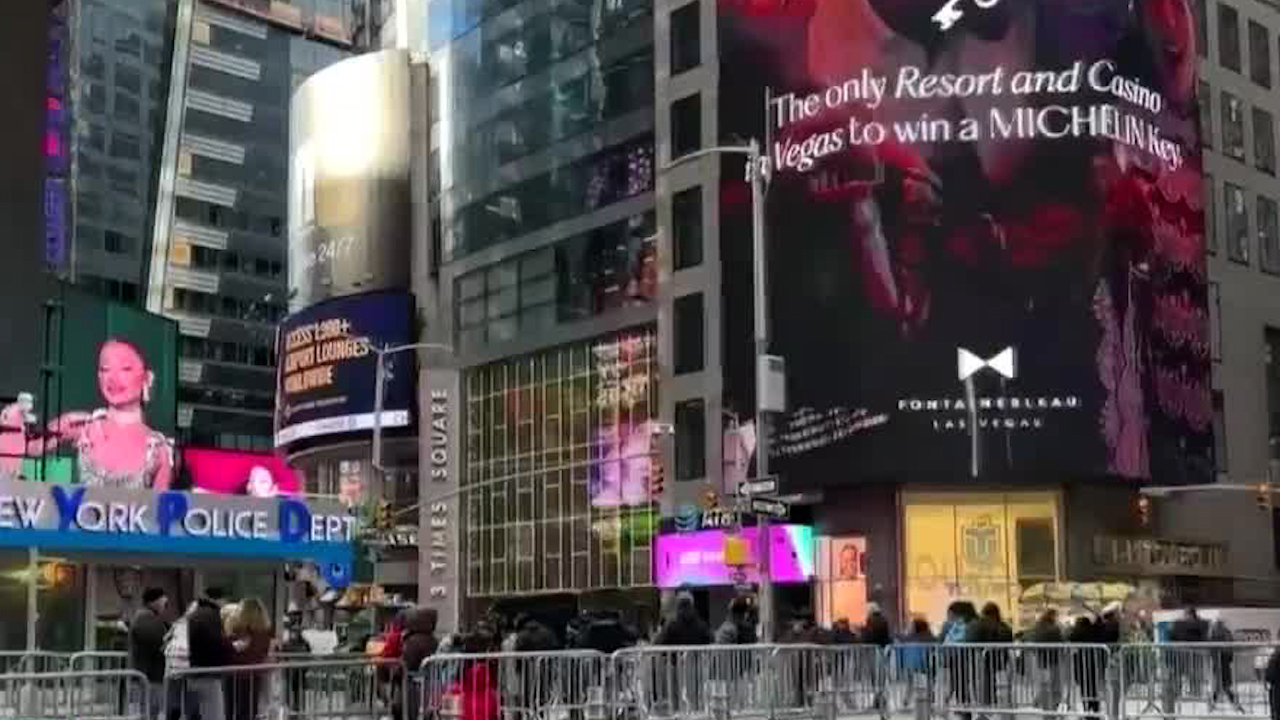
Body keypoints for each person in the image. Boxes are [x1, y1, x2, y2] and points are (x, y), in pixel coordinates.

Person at [0, 338, 173, 488]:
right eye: (105, 369)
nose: (113, 379)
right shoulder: (82, 426)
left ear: (147, 378)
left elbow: (160, 516)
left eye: (125, 369)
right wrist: (12, 423)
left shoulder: (159, 449)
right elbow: (32, 449)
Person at [187, 588, 231, 720]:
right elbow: (216, 642)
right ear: (219, 599)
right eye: (225, 600)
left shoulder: (196, 613)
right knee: (214, 714)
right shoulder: (211, 615)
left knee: (200, 712)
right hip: (209, 673)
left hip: (196, 671)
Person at [227, 598, 272, 720]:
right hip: (254, 678)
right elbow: (263, 654)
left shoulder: (237, 633)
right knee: (250, 712)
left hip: (235, 678)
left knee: (232, 712)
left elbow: (228, 652)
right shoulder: (264, 634)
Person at [130, 588, 169, 720]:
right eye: (163, 600)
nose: (165, 603)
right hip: (149, 676)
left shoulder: (148, 617)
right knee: (149, 712)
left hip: (148, 675)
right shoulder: (146, 619)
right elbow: (158, 643)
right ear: (154, 601)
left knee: (150, 711)